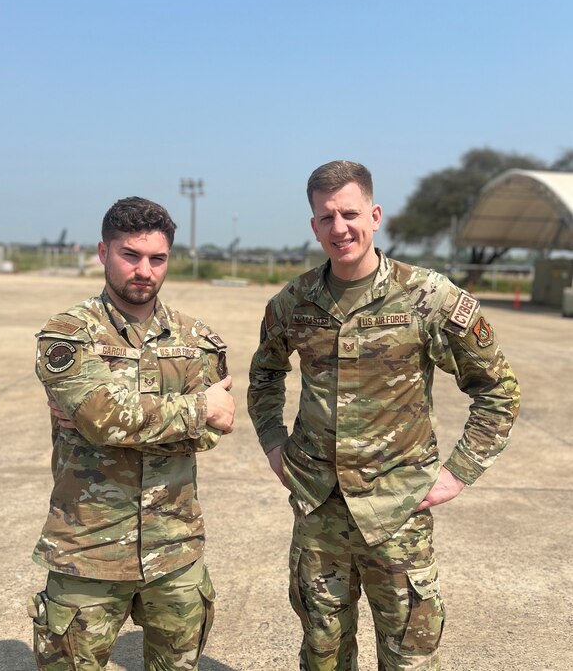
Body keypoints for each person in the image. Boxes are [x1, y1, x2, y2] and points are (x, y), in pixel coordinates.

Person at [247, 161, 520, 671]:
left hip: (397, 511)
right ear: (313, 226)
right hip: (318, 509)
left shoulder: (428, 297)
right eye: (326, 217)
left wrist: (458, 472)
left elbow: (497, 389)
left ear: (374, 216)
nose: (339, 228)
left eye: (349, 213)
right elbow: (264, 377)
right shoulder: (292, 302)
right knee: (322, 652)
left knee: (409, 656)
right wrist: (273, 444)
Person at [28, 196, 235, 670]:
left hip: (175, 548)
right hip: (89, 548)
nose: (144, 270)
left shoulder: (197, 338)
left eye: (157, 258)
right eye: (130, 255)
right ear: (104, 252)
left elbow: (212, 432)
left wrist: (119, 420)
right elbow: (102, 418)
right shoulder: (68, 334)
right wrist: (199, 407)